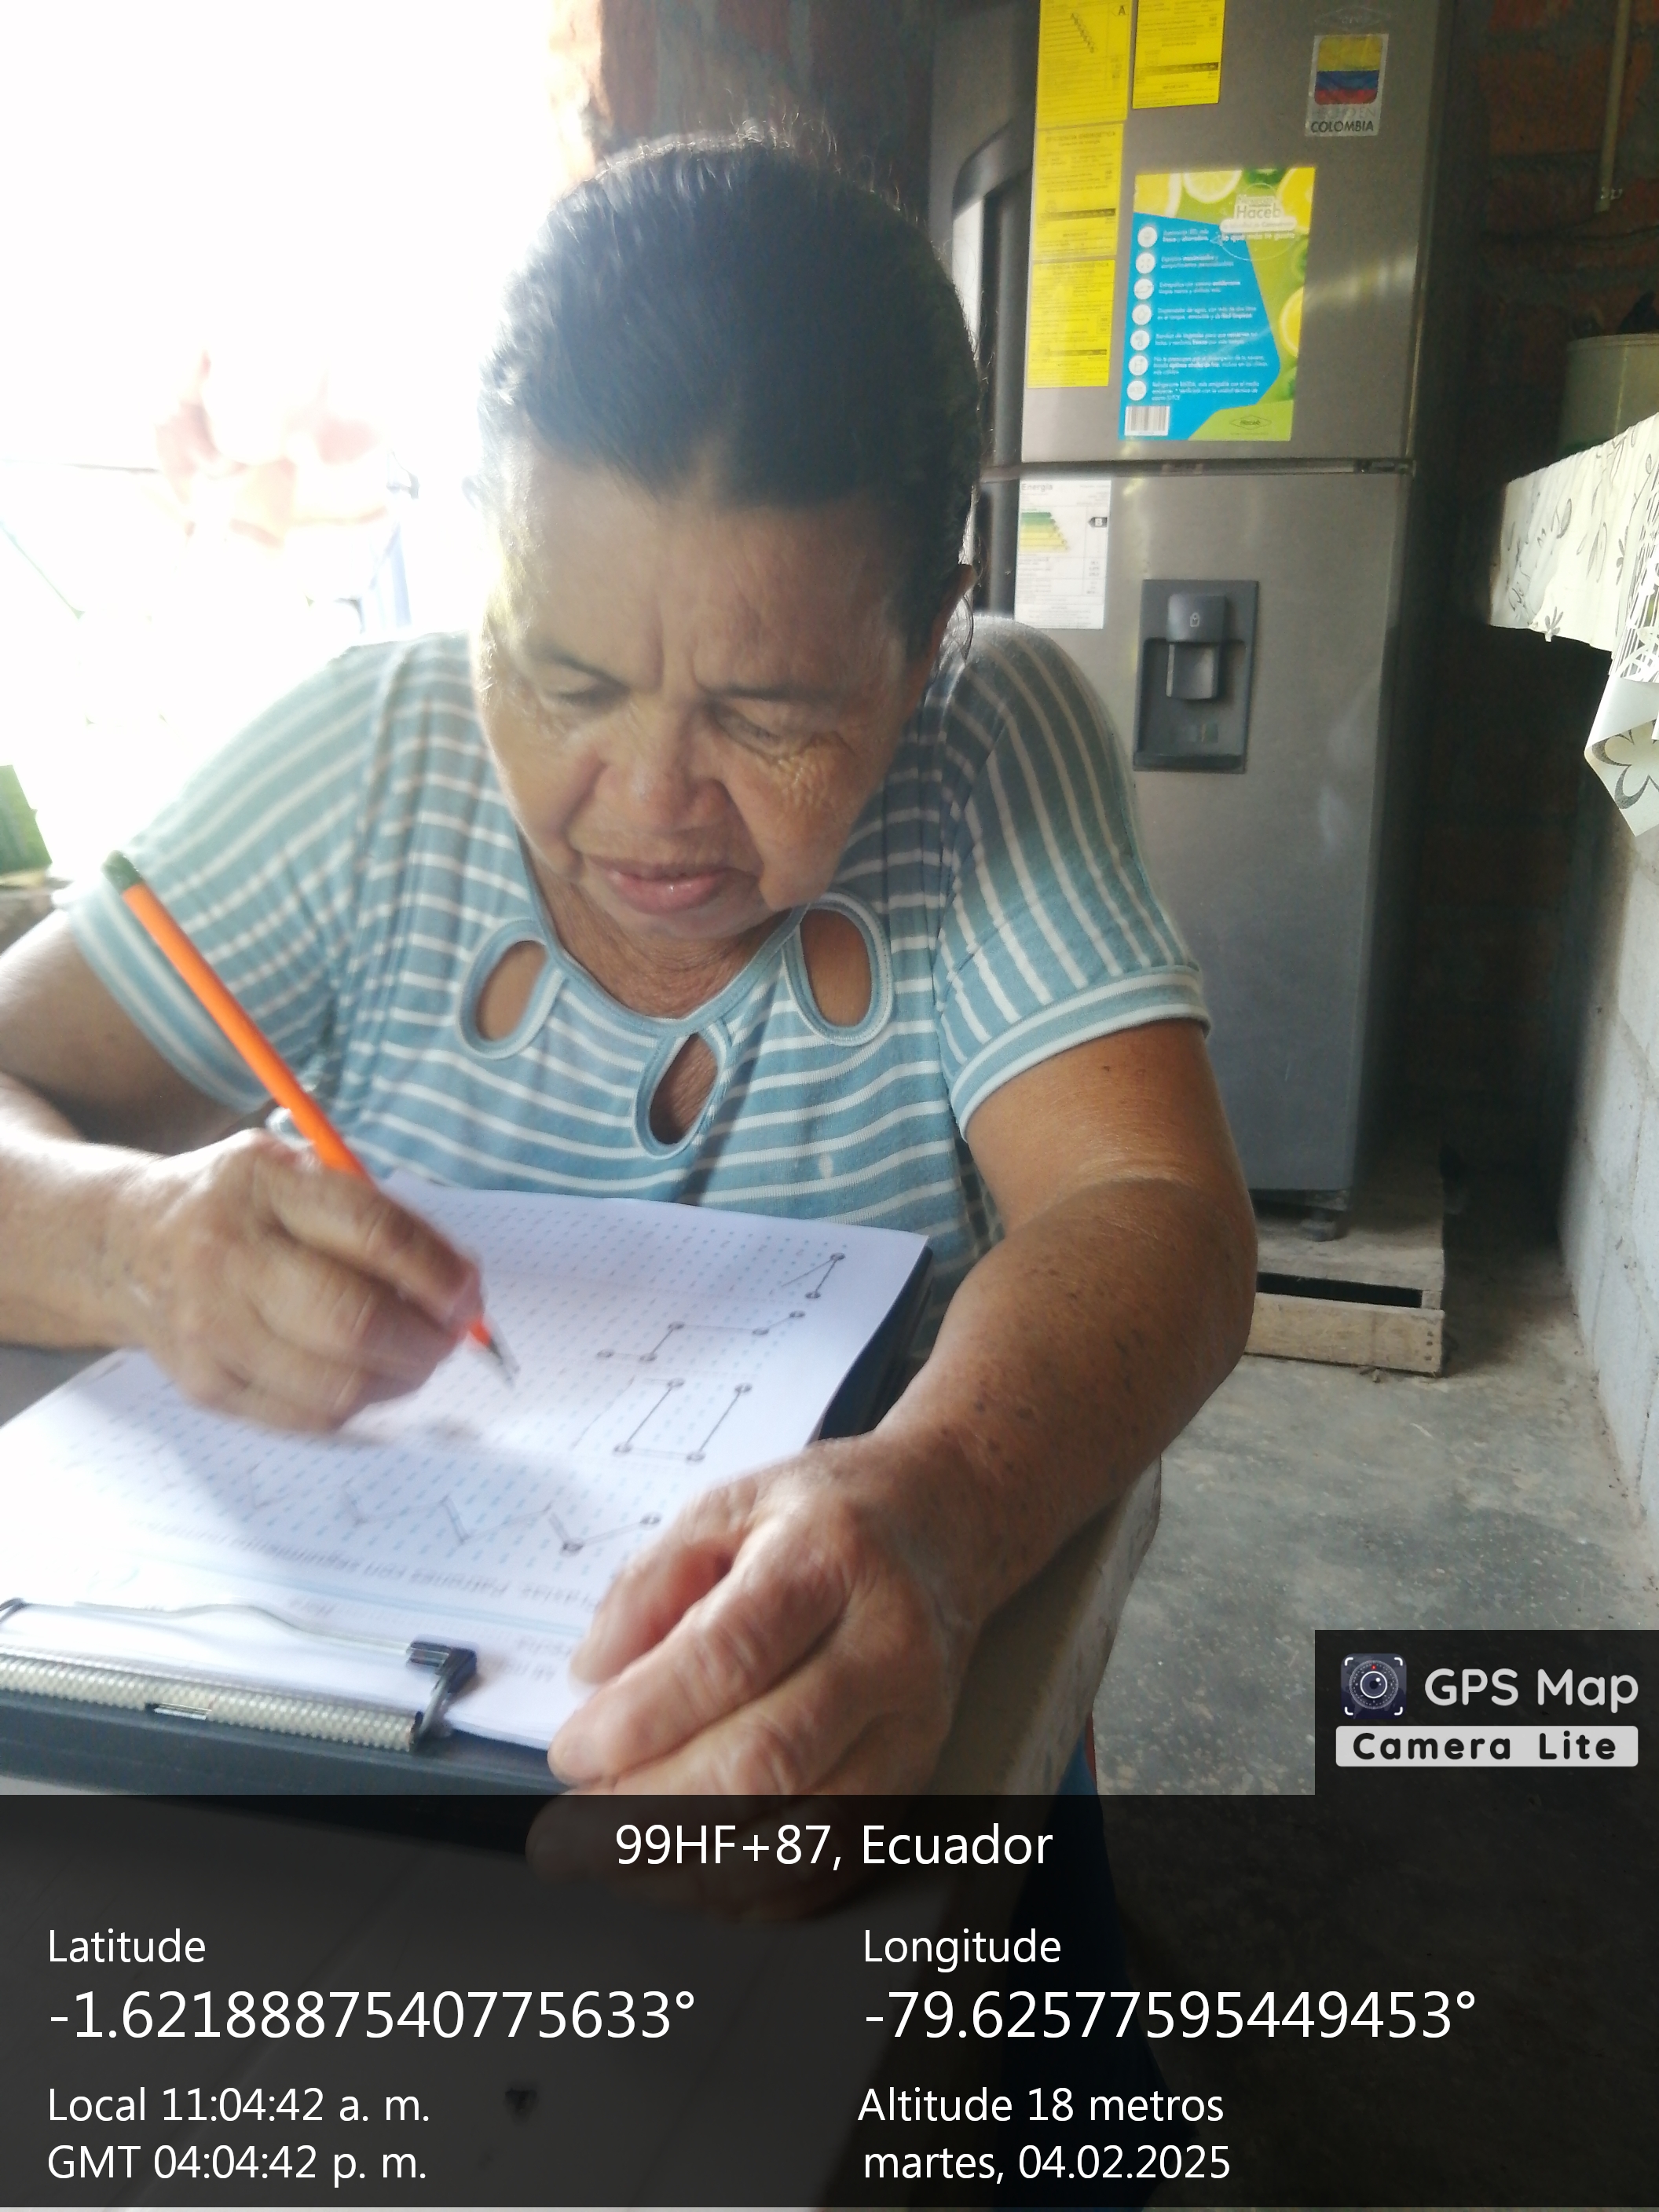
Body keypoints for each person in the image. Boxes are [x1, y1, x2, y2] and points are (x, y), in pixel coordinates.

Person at [0, 136, 1255, 1794]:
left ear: (928, 636)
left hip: (867, 1678)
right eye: (564, 679)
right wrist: (133, 1241)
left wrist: (945, 1499)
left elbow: (1152, 1207)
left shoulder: (987, 743)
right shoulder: (365, 762)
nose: (652, 802)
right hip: (348, 1700)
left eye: (769, 714)